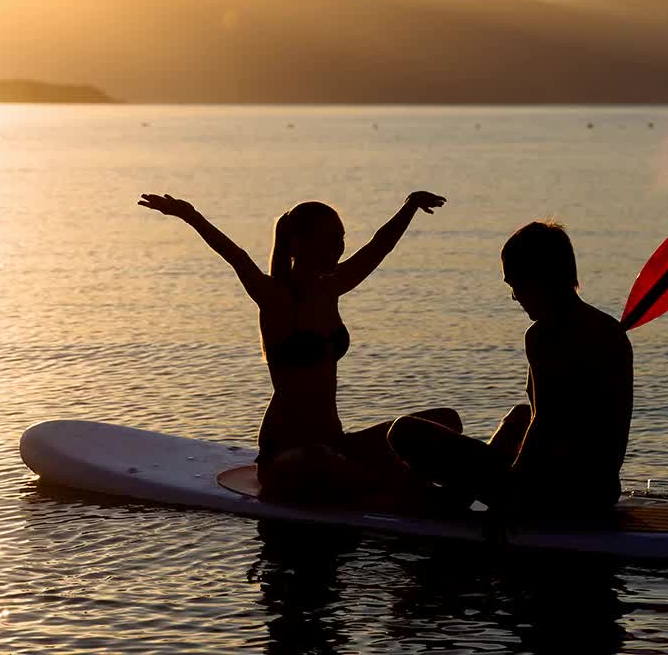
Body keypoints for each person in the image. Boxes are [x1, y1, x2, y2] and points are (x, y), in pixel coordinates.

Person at [137, 190, 460, 504]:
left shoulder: (333, 286)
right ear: (298, 244)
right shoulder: (272, 296)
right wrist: (190, 216)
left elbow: (379, 246)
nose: (338, 247)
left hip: (335, 444)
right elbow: (234, 254)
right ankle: (409, 491)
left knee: (444, 421)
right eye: (328, 238)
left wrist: (410, 205)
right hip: (288, 456)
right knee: (321, 459)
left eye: (341, 237)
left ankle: (399, 484)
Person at [387, 220, 631, 522]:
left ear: (538, 278)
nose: (515, 296)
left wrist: (509, 498)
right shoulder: (610, 330)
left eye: (515, 284)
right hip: (601, 491)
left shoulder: (543, 335)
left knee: (404, 430)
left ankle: (451, 502)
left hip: (555, 495)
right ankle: (457, 499)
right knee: (518, 415)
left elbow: (546, 423)